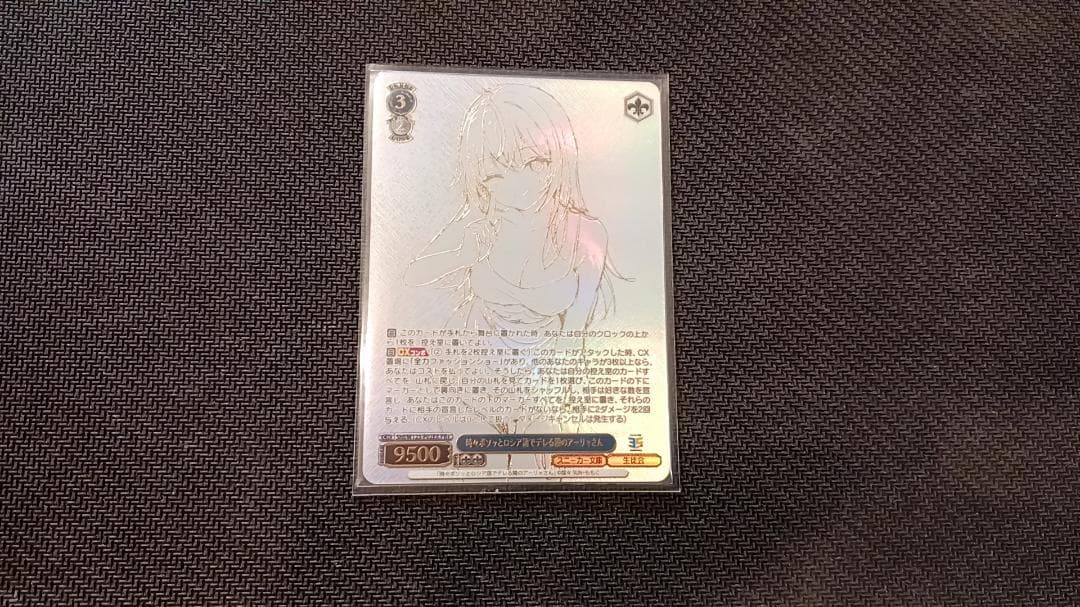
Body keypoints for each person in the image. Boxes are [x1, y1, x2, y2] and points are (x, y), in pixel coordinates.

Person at [403, 84, 621, 349]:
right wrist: (460, 257)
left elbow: (574, 335)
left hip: (544, 360)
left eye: (534, 164)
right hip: (472, 352)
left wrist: (559, 372)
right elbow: (412, 276)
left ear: (560, 158)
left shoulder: (585, 234)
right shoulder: (480, 221)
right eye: (497, 174)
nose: (520, 186)